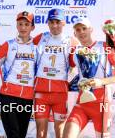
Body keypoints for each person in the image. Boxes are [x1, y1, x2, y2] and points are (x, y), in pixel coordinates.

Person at [63, 17, 115, 138]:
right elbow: (69, 69)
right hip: (82, 103)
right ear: (74, 34)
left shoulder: (105, 47)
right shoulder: (74, 51)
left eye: (84, 28)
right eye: (78, 30)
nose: (81, 32)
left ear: (91, 30)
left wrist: (101, 81)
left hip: (102, 105)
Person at [33, 8, 77, 138]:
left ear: (64, 23)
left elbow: (78, 63)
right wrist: (0, 48)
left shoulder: (72, 41)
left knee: (60, 130)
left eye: (58, 22)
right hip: (41, 93)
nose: (54, 25)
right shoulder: (40, 38)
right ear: (48, 23)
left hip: (60, 94)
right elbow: (23, 45)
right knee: (40, 131)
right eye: (51, 22)